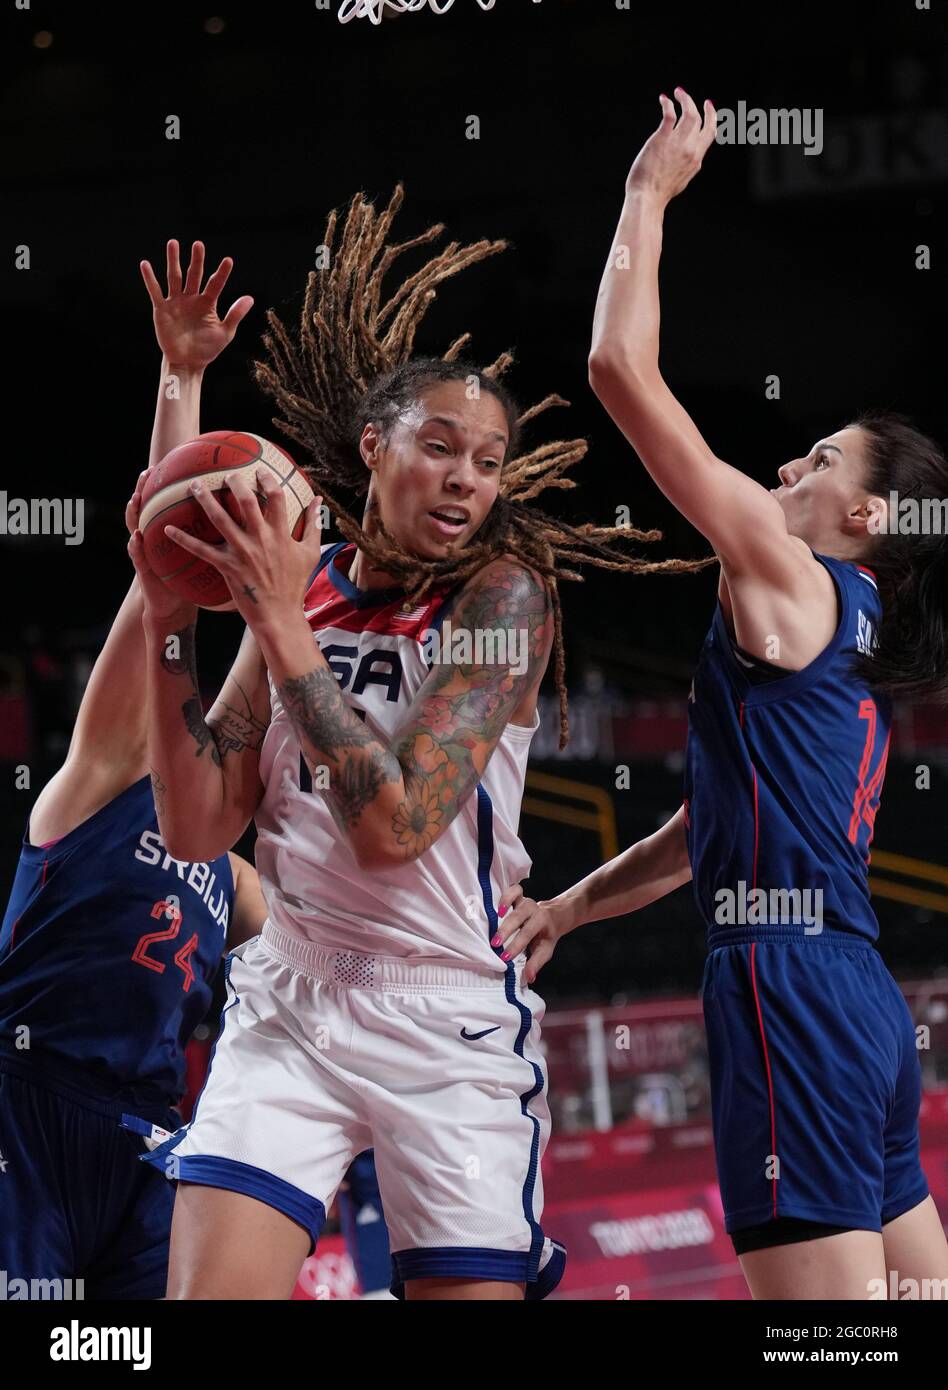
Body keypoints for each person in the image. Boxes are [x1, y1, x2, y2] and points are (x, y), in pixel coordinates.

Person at [128, 184, 707, 1301]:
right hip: (292, 995)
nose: (465, 478)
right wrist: (164, 622)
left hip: (443, 1010)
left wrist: (280, 625)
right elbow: (196, 824)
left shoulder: (505, 600)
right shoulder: (302, 591)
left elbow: (395, 827)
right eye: (439, 447)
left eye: (487, 461)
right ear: (372, 448)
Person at [491, 89, 948, 1301]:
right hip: (860, 997)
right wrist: (571, 911)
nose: (792, 461)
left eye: (824, 458)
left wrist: (646, 194)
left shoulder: (794, 573)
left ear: (870, 517)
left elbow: (615, 368)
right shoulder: (850, 641)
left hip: (788, 987)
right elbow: (710, 829)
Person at [0, 240, 267, 1300]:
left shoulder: (229, 866)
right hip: (31, 1107)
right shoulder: (106, 771)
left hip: (156, 1137)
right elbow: (157, 570)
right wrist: (185, 379)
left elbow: (326, 933)